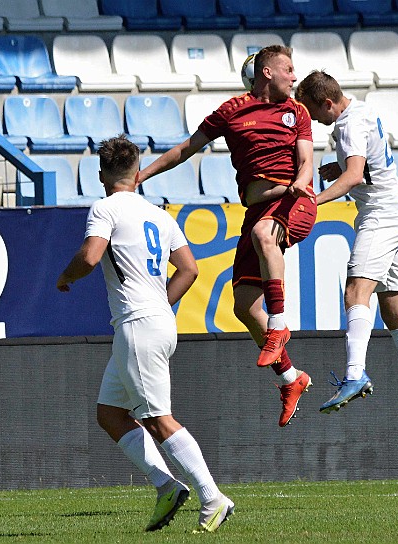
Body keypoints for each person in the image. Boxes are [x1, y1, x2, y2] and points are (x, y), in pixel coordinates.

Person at [56, 136, 234, 532]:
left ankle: (212, 497)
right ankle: (166, 486)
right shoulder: (159, 214)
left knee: (157, 418)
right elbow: (189, 269)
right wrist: (159, 304)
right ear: (137, 174)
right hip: (156, 322)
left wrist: (65, 277)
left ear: (101, 175)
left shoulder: (105, 207)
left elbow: (90, 256)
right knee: (110, 414)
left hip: (137, 325)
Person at [138, 45, 316, 428]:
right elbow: (187, 148)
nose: (294, 76)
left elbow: (306, 162)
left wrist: (299, 186)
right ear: (266, 72)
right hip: (258, 209)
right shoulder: (232, 111)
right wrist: (143, 174)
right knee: (244, 307)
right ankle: (291, 378)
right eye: (288, 69)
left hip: (294, 202)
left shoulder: (297, 112)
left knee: (266, 235)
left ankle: (279, 324)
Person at [295, 71, 398, 441]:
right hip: (397, 209)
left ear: (328, 103)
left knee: (354, 293)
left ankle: (354, 373)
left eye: (314, 112)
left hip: (381, 216)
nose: (313, 119)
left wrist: (311, 200)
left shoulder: (346, 125)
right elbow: (362, 170)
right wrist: (343, 171)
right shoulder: (361, 110)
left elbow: (352, 177)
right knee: (395, 310)